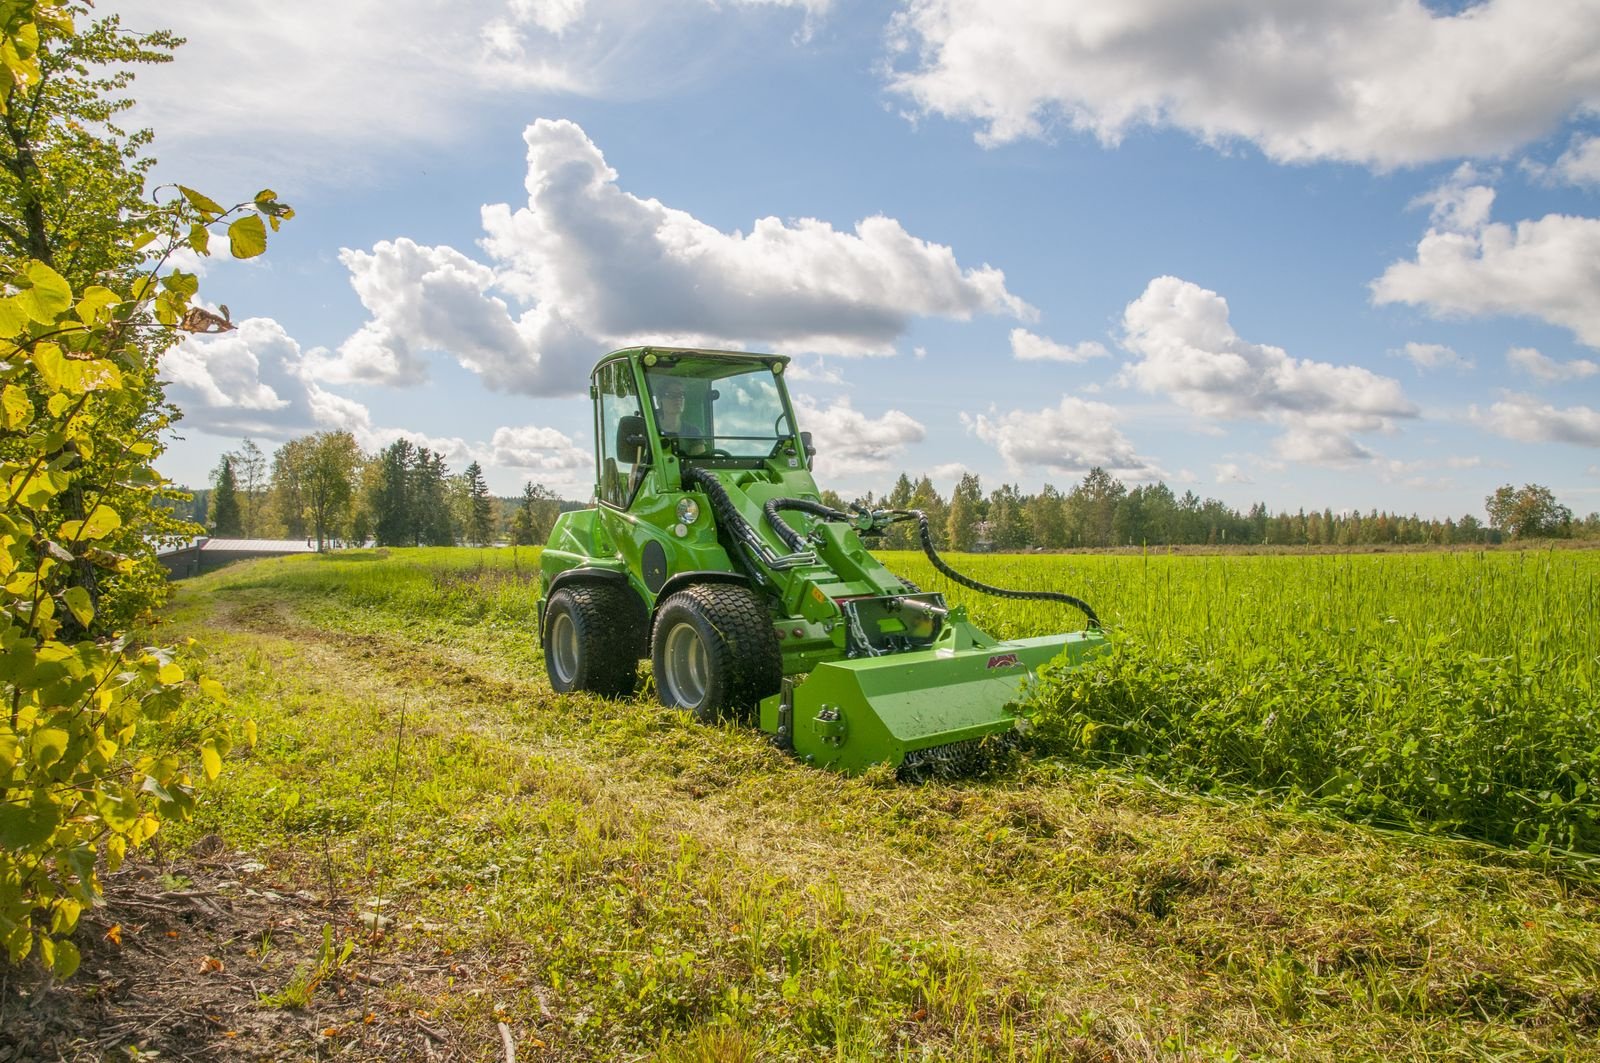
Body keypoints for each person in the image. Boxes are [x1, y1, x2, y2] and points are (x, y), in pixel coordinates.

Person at [654, 376, 711, 456]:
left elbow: (700, 463)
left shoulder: (693, 432)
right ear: (659, 401)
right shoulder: (651, 430)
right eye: (671, 395)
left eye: (681, 394)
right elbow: (641, 462)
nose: (678, 399)